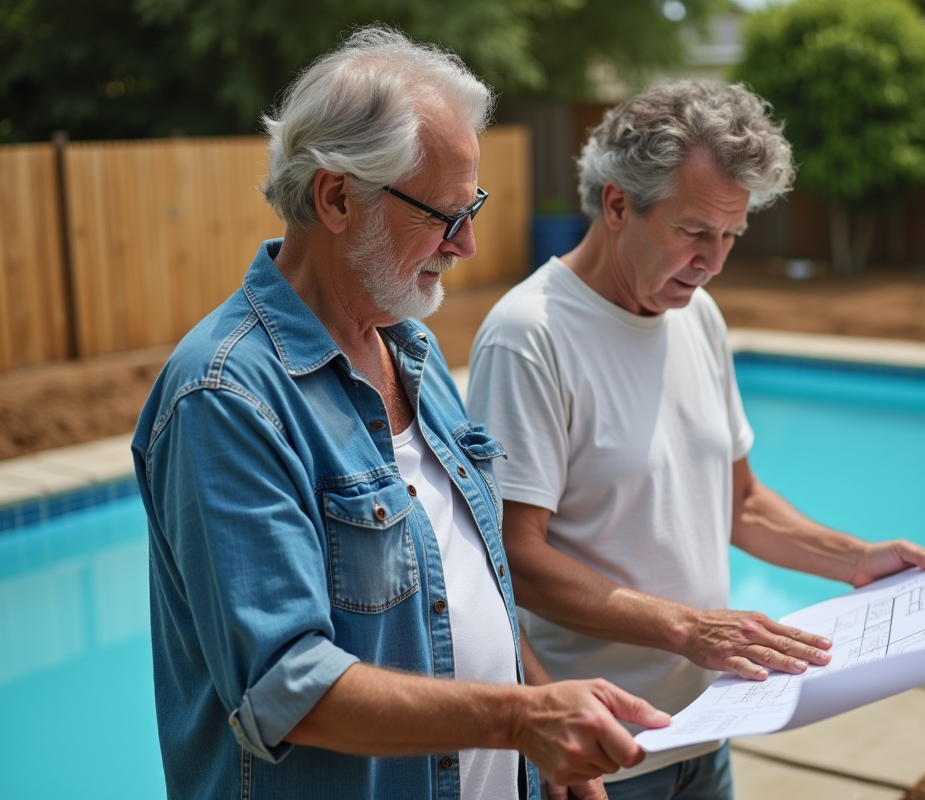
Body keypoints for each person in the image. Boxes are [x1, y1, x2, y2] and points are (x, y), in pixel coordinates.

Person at [131, 28, 667, 800]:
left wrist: (541, 746)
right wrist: (519, 718)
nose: (469, 243)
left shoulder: (410, 352)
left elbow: (469, 585)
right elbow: (287, 686)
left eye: (471, 206)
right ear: (337, 196)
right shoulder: (225, 397)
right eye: (446, 215)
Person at [465, 79, 925, 800]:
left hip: (707, 729)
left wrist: (856, 559)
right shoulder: (529, 335)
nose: (714, 261)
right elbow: (514, 559)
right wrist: (689, 629)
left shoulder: (698, 314)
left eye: (730, 236)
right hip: (605, 750)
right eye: (694, 232)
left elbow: (739, 504)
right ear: (618, 204)